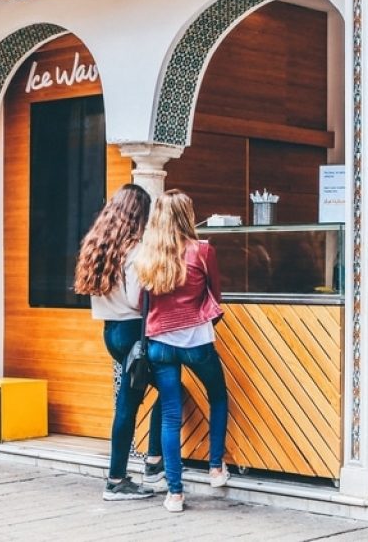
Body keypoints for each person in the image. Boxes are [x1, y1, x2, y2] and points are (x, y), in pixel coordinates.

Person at [135, 189, 229, 513]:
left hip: (159, 343)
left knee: (170, 417)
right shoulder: (203, 251)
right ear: (187, 215)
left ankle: (174, 493)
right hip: (196, 342)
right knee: (217, 395)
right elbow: (215, 297)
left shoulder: (147, 256)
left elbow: (140, 306)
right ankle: (216, 467)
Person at [73, 183, 164, 501]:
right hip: (133, 332)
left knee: (130, 402)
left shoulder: (100, 245)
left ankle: (134, 470)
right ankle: (132, 473)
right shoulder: (136, 250)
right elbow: (137, 299)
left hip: (111, 332)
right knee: (161, 393)